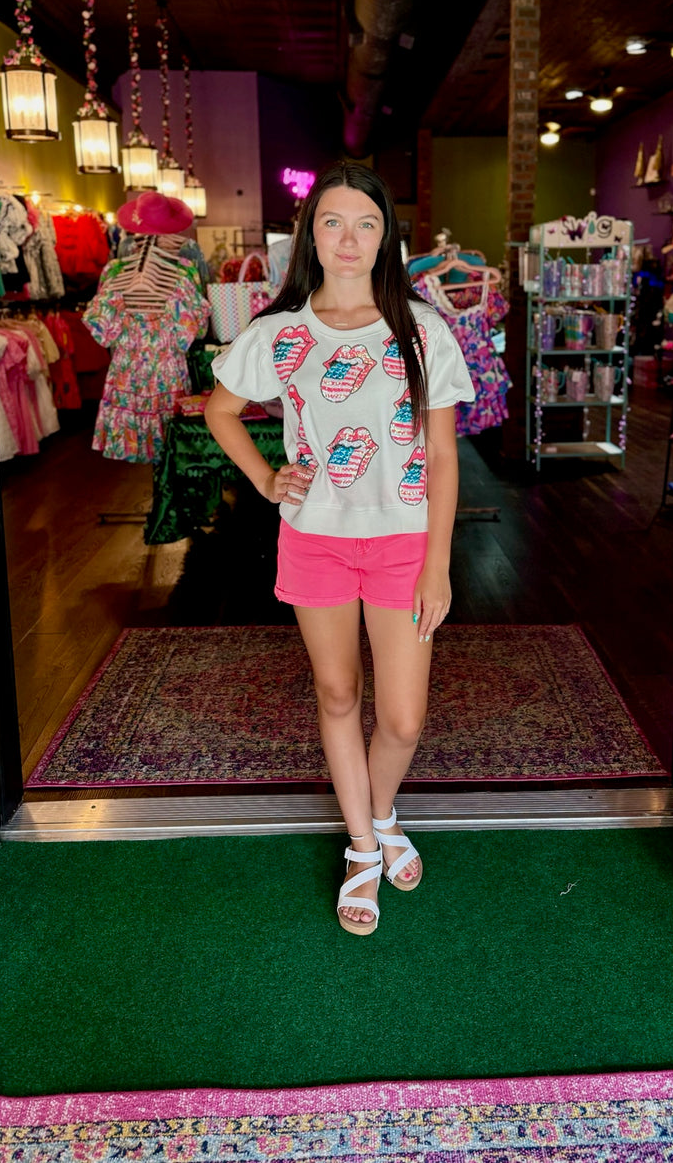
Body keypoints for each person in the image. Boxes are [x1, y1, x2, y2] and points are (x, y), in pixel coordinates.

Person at [205, 161, 475, 936]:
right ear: (310, 236)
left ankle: (382, 808)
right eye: (332, 221)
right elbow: (220, 409)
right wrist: (264, 478)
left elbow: (447, 457)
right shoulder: (280, 332)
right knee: (336, 695)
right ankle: (365, 846)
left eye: (365, 222)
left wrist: (438, 563)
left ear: (386, 235)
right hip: (316, 539)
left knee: (401, 717)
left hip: (403, 542)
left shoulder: (423, 330)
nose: (348, 237)